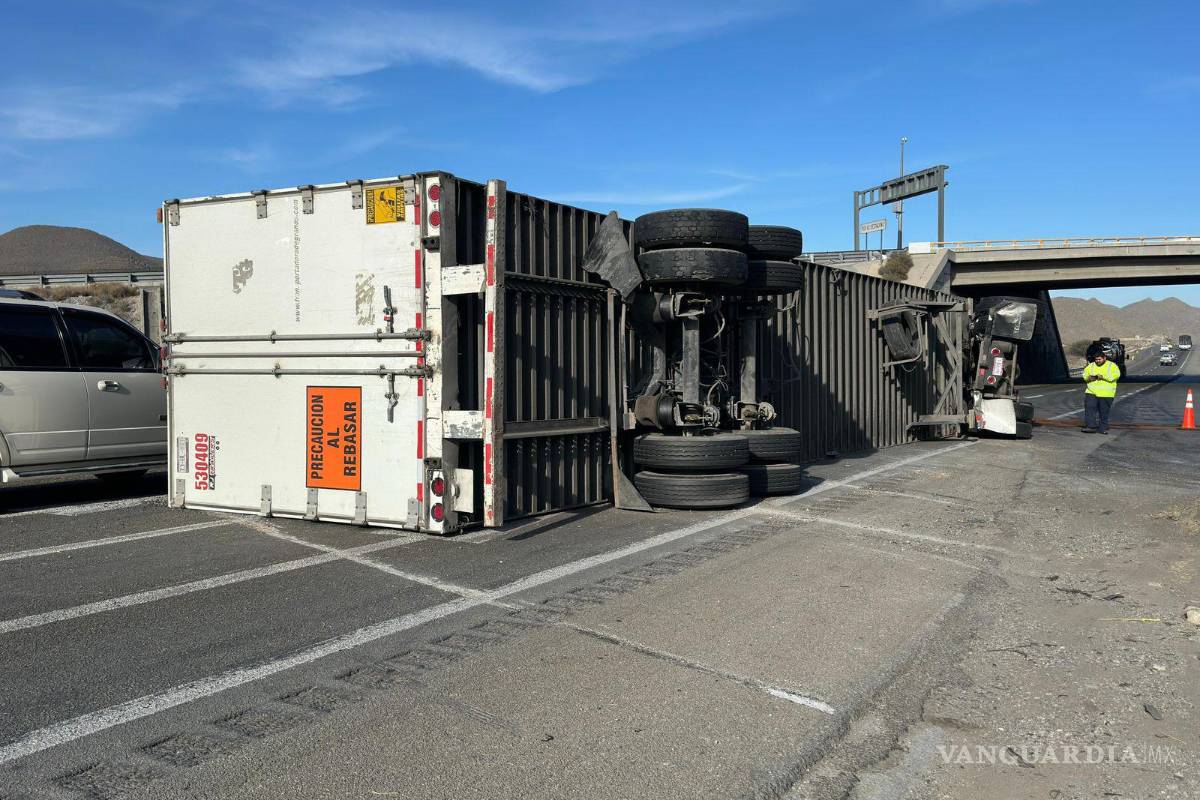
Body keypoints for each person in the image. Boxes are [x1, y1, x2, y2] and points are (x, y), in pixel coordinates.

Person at [1081, 348, 1121, 434]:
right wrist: (1088, 378)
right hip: (1091, 392)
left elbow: (1115, 376)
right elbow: (1085, 375)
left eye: (1099, 359)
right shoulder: (1091, 366)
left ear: (1104, 358)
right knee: (1089, 409)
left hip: (1106, 394)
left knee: (1103, 412)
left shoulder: (1112, 366)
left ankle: (1103, 428)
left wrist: (1102, 377)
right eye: (1096, 359)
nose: (1097, 361)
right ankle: (1090, 426)